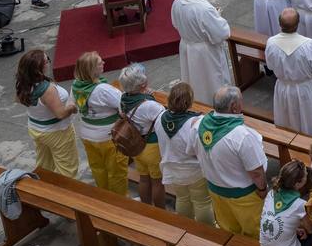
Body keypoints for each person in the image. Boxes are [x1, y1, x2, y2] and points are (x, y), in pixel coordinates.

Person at [196, 86, 268, 237]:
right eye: (241, 100)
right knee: (255, 234)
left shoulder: (201, 125)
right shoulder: (242, 136)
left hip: (216, 191)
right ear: (234, 107)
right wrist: (262, 189)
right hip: (243, 197)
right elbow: (256, 171)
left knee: (228, 233)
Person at [14, 48, 80, 178]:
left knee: (44, 164)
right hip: (57, 132)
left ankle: (43, 185)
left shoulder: (23, 83)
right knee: (67, 167)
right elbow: (60, 114)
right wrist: (72, 107)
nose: (49, 63)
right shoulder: (47, 90)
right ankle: (65, 194)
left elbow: (18, 99)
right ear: (40, 68)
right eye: (47, 60)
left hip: (36, 128)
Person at [170, 0, 232, 104]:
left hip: (187, 46)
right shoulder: (204, 8)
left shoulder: (178, 1)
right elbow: (222, 33)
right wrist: (218, 17)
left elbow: (175, 24)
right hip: (205, 53)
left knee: (194, 80)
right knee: (211, 83)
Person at [156, 80, 214, 225]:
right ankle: (206, 233)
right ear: (189, 101)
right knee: (202, 202)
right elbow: (201, 148)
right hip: (194, 171)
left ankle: (186, 228)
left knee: (182, 198)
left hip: (172, 168)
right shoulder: (195, 123)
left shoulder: (160, 118)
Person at [70, 51, 128, 196]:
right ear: (91, 70)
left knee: (98, 168)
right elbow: (125, 105)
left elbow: (74, 106)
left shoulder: (76, 86)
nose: (104, 63)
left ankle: (105, 196)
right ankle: (121, 202)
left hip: (87, 134)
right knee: (116, 171)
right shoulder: (102, 90)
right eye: (99, 63)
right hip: (109, 137)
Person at [265, 8, 312, 135]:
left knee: (287, 124)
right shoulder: (309, 45)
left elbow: (270, 66)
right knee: (310, 124)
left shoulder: (271, 43)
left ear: (280, 24)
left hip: (283, 88)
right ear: (298, 24)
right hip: (305, 89)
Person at [258, 159, 312, 246]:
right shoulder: (300, 205)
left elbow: (279, 219)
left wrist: (296, 229)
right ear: (298, 184)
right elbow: (310, 229)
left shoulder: (271, 194)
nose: (307, 173)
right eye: (305, 175)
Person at [117, 63, 165, 208]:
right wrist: (150, 98)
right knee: (157, 181)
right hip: (152, 147)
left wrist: (146, 95)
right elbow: (162, 121)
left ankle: (146, 207)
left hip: (137, 146)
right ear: (143, 84)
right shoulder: (149, 106)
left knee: (144, 178)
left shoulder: (123, 99)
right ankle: (161, 211)